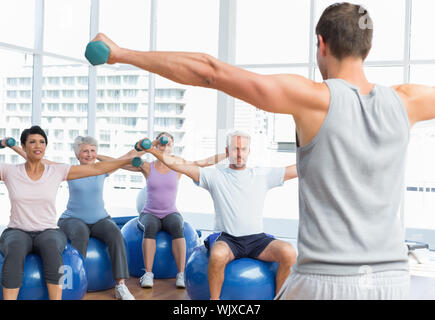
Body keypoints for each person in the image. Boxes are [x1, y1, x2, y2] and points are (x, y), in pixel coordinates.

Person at [88, 2, 435, 299]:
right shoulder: (409, 101)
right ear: (367, 48)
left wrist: (121, 53)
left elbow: (210, 72)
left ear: (321, 44)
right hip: (393, 282)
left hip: (326, 281)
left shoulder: (313, 99)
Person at [135, 130, 297, 300]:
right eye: (235, 149)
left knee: (288, 252)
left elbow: (295, 169)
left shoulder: (262, 175)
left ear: (249, 151)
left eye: (243, 149)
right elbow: (178, 165)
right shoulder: (214, 176)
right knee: (218, 255)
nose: (239, 154)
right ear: (227, 152)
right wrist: (152, 150)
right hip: (227, 238)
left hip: (257, 238)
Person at [0, 126, 135, 300]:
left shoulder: (56, 171)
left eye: (42, 141)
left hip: (48, 230)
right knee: (15, 248)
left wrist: (124, 161)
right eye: (32, 142)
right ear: (24, 147)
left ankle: (117, 284)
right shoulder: (9, 170)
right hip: (17, 230)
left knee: (52, 248)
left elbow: (96, 169)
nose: (37, 145)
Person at [99, 132, 227, 289]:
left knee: (177, 227)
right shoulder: (147, 166)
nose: (165, 147)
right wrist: (96, 155)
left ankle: (181, 274)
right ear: (156, 146)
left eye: (168, 144)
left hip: (170, 212)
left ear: (173, 147)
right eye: (161, 144)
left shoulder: (178, 165)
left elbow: (202, 163)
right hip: (149, 213)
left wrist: (225, 154)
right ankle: (148, 274)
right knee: (150, 227)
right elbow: (117, 163)